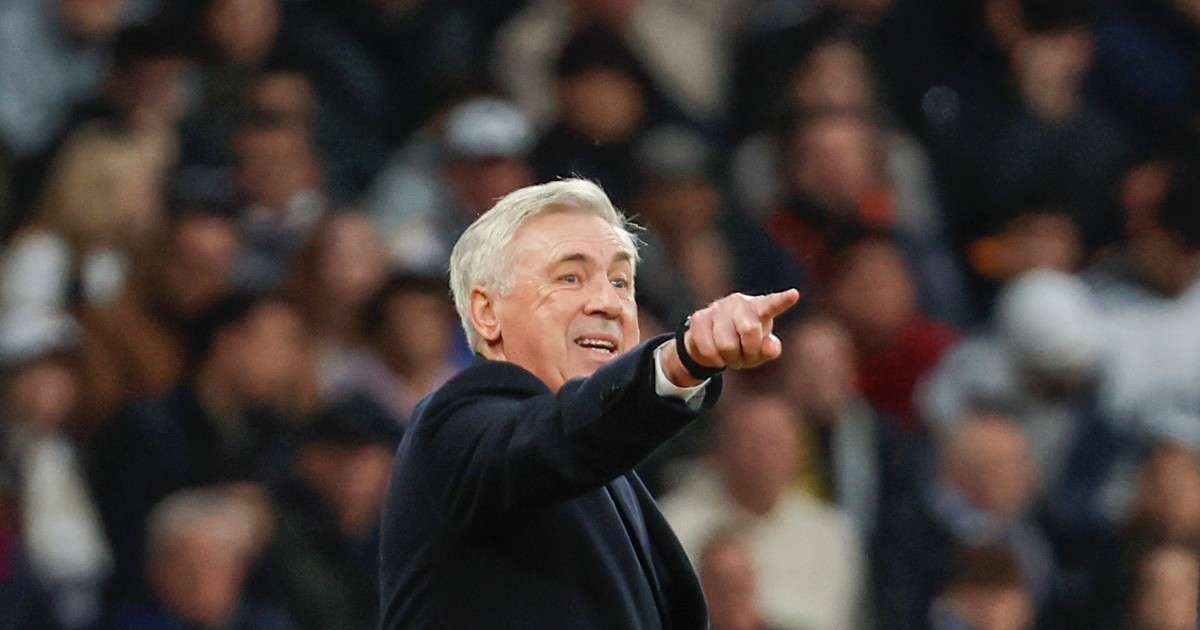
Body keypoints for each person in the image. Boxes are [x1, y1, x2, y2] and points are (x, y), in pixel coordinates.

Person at [378, 178, 799, 628]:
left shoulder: (608, 466)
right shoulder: (456, 426)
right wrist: (681, 360)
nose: (609, 303)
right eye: (570, 278)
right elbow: (553, 439)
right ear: (487, 312)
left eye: (620, 282)